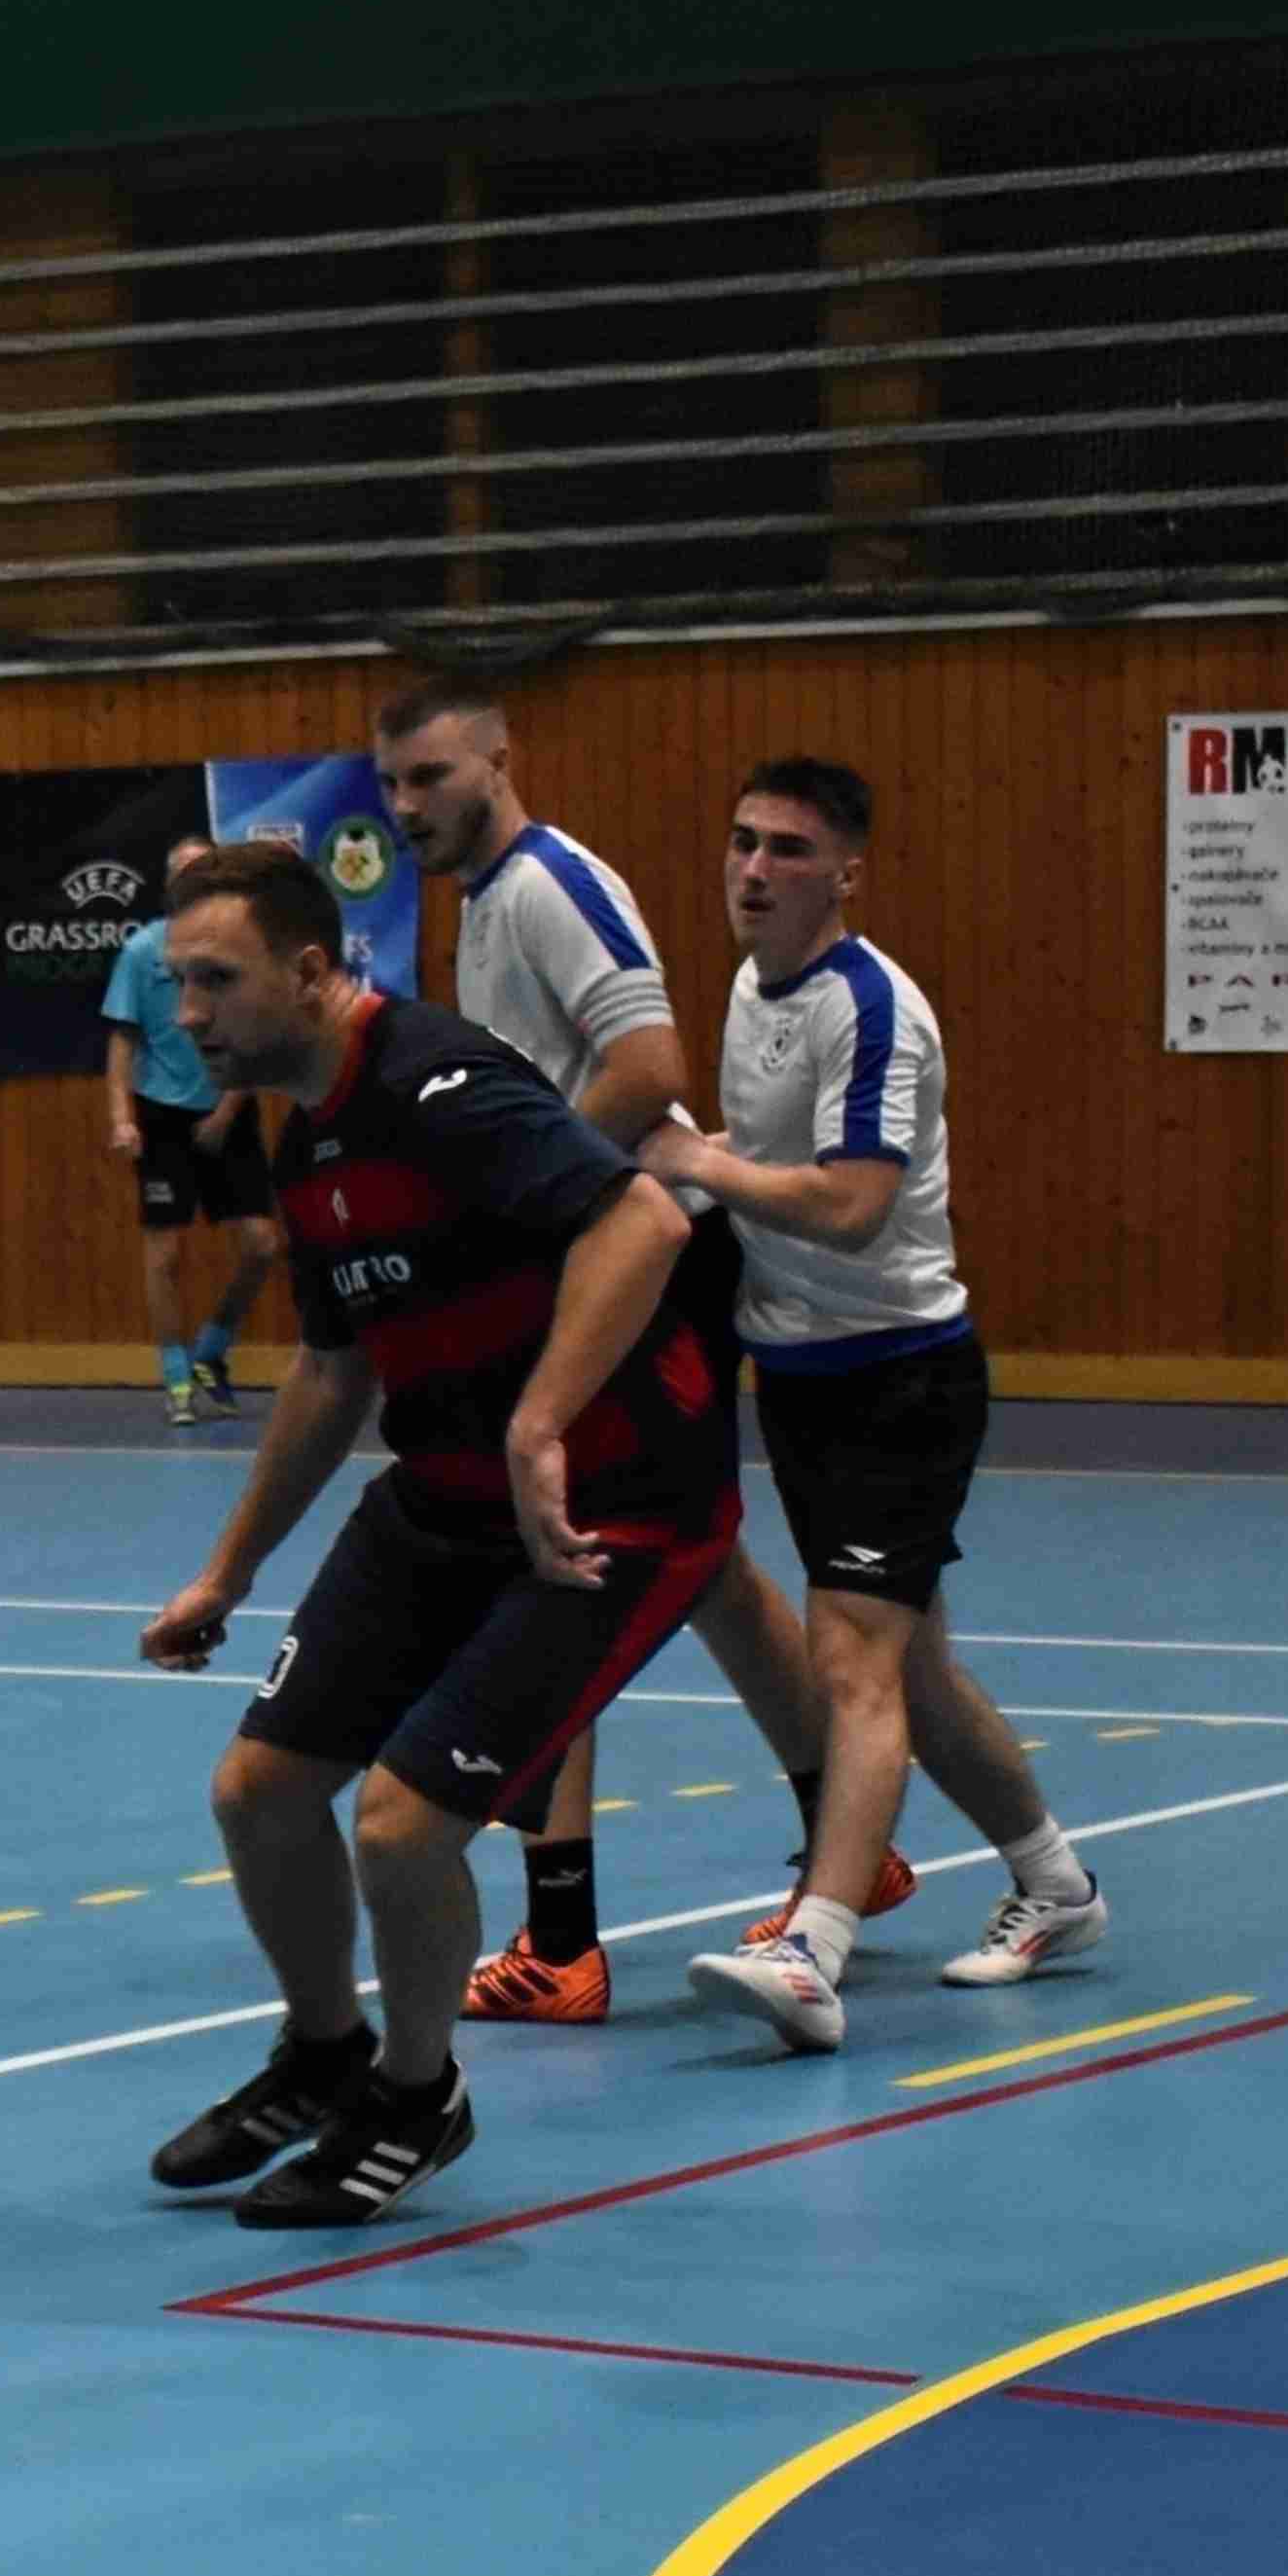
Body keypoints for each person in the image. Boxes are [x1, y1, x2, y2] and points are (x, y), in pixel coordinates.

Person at [130, 844, 737, 2227]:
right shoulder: (306, 1138)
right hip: (444, 1494)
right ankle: (324, 2055)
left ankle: (416, 2098)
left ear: (308, 971)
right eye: (178, 984)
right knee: (259, 1793)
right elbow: (333, 1370)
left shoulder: (436, 1084)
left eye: (217, 981)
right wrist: (229, 1572)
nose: (191, 1013)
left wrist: (540, 1424)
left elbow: (644, 1220)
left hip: (611, 1506)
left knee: (403, 1829)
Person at [373, 675, 878, 2024]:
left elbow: (649, 1065)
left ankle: (562, 1941)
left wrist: (530, 1199)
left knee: (561, 1561)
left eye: (432, 776)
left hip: (642, 1263)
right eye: (393, 785)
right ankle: (855, 1843)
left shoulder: (548, 884)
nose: (409, 805)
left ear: (498, 760)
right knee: (704, 1570)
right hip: (623, 1260)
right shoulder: (486, 902)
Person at [645, 761, 1112, 2050]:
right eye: (743, 841)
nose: (754, 869)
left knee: (851, 1659)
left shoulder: (874, 1009)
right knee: (916, 1671)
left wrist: (699, 1160)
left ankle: (816, 1946)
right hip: (796, 1371)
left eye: (789, 850)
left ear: (846, 873)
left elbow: (853, 1205)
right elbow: (765, 1166)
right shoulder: (752, 983)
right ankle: (1058, 1885)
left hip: (897, 1375)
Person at [99, 835, 277, 1424]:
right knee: (165, 1255)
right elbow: (123, 1041)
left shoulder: (242, 949)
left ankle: (211, 1353)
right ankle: (176, 1378)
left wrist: (225, 1113)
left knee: (262, 1244)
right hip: (162, 1114)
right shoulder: (141, 952)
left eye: (206, 872)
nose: (195, 883)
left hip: (229, 1106)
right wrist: (122, 1118)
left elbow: (256, 1036)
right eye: (185, 874)